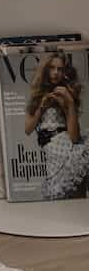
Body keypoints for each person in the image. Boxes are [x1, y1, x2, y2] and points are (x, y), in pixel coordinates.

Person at [25, 51, 89, 199]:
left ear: (65, 72)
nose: (55, 73)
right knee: (59, 192)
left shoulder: (67, 93)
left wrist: (70, 103)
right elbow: (28, 129)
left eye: (60, 69)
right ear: (45, 69)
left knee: (75, 193)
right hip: (51, 149)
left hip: (67, 146)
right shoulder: (36, 95)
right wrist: (42, 107)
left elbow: (74, 137)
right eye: (52, 68)